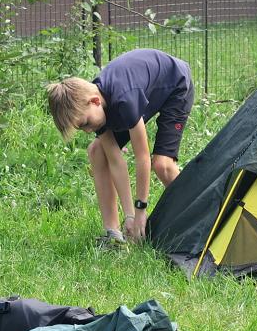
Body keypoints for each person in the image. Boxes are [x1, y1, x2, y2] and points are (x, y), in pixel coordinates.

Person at [45, 49, 194, 247]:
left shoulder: (124, 99)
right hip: (144, 91)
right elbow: (116, 161)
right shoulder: (95, 106)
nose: (88, 131)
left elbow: (142, 158)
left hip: (175, 84)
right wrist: (130, 216)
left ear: (95, 101)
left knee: (162, 165)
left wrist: (140, 209)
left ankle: (200, 215)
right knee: (97, 151)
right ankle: (114, 235)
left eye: (85, 124)